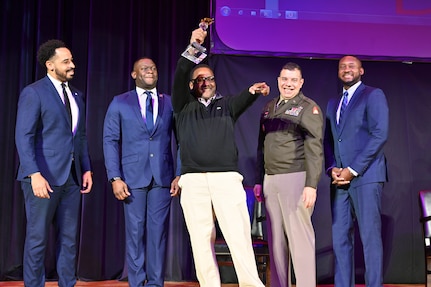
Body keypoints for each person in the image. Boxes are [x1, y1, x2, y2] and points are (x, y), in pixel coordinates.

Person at [172, 27, 270, 287]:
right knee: (201, 240)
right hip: (193, 181)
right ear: (192, 86)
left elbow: (244, 99)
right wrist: (195, 43)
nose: (207, 82)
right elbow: (182, 70)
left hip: (226, 179)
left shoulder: (226, 105)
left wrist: (253, 91)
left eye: (211, 78)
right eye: (201, 79)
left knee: (238, 236)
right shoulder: (183, 106)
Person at [15, 39, 93, 287]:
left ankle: (67, 284)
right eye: (66, 61)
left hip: (71, 177)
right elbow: (23, 136)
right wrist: (33, 173)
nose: (72, 65)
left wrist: (86, 167)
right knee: (38, 238)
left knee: (69, 239)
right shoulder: (34, 92)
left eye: (71, 60)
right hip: (42, 178)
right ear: (50, 65)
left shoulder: (76, 94)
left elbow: (79, 136)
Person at [103, 57, 180, 287]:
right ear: (134, 74)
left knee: (158, 235)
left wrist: (179, 173)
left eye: (154, 68)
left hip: (162, 178)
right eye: (144, 68)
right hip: (132, 178)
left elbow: (182, 140)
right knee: (135, 234)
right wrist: (115, 177)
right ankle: (136, 283)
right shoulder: (120, 102)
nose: (150, 71)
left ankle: (156, 283)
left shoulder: (169, 102)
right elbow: (110, 141)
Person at [253, 62, 324, 287]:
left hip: (296, 178)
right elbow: (261, 146)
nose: (288, 84)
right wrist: (258, 180)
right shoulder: (269, 106)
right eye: (285, 79)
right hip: (270, 180)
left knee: (300, 240)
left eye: (293, 80)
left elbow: (315, 148)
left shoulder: (307, 107)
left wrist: (311, 185)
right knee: (276, 243)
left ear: (301, 83)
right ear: (278, 81)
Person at [324, 55, 389, 287]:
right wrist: (332, 168)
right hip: (339, 180)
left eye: (351, 66)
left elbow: (380, 134)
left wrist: (353, 170)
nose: (346, 69)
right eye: (342, 66)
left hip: (367, 177)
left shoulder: (373, 95)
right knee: (340, 238)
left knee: (370, 238)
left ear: (361, 70)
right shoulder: (333, 103)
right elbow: (329, 141)